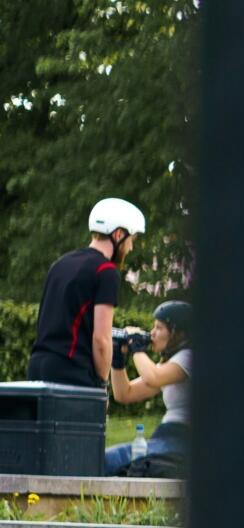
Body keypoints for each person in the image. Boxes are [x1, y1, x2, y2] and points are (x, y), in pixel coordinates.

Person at [31, 199, 145, 391]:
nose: (130, 248)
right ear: (118, 235)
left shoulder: (60, 264)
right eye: (131, 240)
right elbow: (102, 339)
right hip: (71, 371)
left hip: (37, 365)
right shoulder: (105, 271)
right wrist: (102, 384)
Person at [104, 301, 193, 478]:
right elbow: (124, 394)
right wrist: (118, 360)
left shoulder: (189, 357)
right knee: (108, 459)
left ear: (177, 333)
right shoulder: (170, 364)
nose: (152, 333)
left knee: (111, 460)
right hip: (166, 436)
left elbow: (154, 377)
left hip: (182, 439)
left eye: (159, 328)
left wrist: (136, 347)